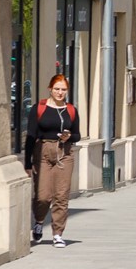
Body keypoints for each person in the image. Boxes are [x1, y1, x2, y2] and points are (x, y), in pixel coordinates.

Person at [28, 74, 80, 247]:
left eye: (63, 90)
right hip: (42, 151)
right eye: (57, 89)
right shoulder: (39, 108)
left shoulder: (71, 110)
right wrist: (28, 163)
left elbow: (77, 135)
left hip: (64, 153)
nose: (60, 93)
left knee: (61, 195)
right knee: (43, 196)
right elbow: (30, 135)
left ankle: (58, 233)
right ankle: (39, 221)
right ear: (50, 89)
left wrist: (69, 136)